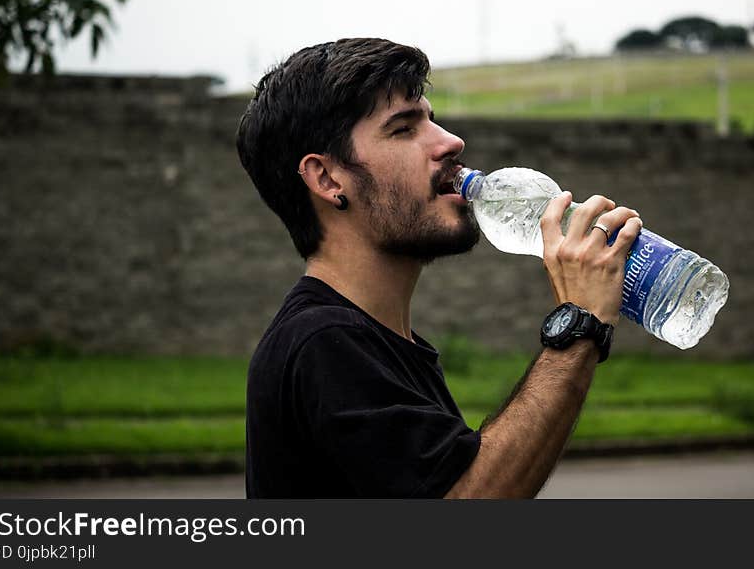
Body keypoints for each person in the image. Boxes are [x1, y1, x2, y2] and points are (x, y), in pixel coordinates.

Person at [236, 38, 642, 498]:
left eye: (431, 118)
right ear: (328, 179)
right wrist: (579, 325)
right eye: (404, 128)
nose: (451, 141)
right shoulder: (323, 343)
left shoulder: (383, 344)